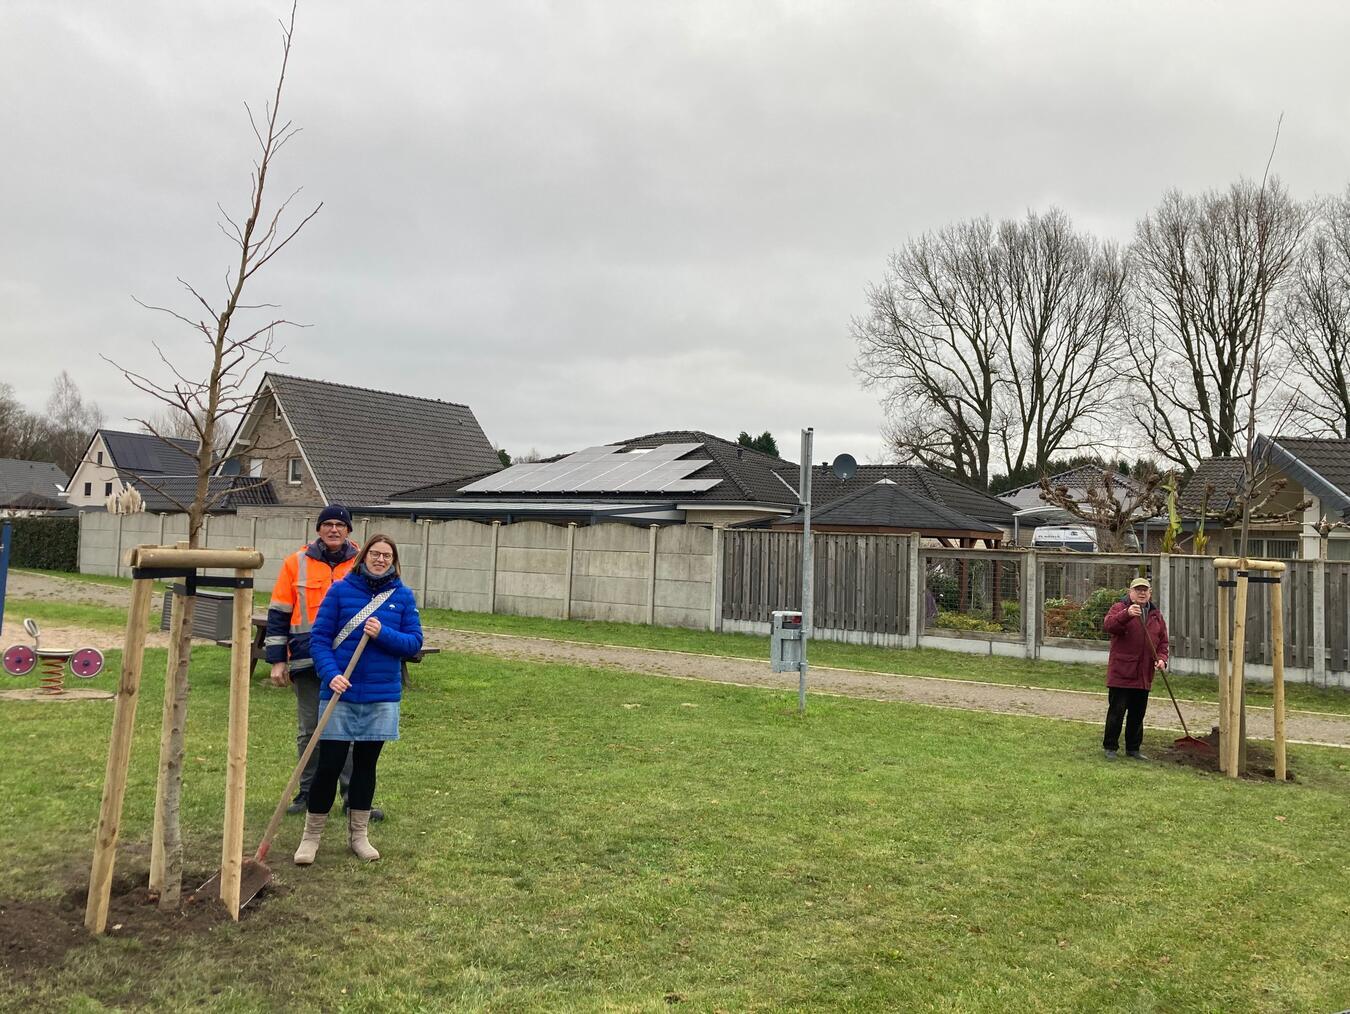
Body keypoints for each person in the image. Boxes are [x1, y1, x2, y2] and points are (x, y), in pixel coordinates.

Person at [294, 534, 422, 864]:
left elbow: (413, 644)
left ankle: (359, 836)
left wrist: (383, 633)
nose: (380, 560)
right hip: (341, 691)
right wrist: (330, 674)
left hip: (381, 695)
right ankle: (311, 838)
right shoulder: (340, 591)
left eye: (387, 556)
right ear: (363, 556)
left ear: (394, 562)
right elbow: (319, 640)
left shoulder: (402, 596)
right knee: (329, 765)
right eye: (375, 554)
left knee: (366, 766)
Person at [266, 504, 382, 820]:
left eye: (340, 525)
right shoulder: (296, 563)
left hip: (349, 663)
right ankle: (308, 793)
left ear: (348, 530)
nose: (333, 529)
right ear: (318, 529)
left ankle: (353, 798)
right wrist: (277, 661)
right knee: (310, 732)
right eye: (327, 524)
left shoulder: (363, 563)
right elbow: (278, 614)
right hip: (307, 661)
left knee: (348, 732)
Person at [1102, 576, 1169, 761]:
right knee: (1117, 712)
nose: (1141, 593)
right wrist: (1126, 614)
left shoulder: (1156, 615)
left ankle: (1133, 748)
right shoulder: (1119, 608)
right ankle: (1110, 747)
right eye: (1138, 590)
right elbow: (1109, 625)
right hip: (1122, 672)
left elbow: (1163, 642)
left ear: (1150, 593)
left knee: (1138, 714)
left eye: (1145, 590)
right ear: (1130, 592)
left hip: (1144, 673)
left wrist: (1162, 659)